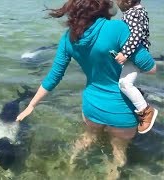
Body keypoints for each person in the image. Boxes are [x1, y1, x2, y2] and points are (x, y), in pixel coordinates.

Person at [15, 0, 156, 179]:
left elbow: (54, 76)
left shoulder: (69, 38)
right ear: (103, 6)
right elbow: (150, 68)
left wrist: (31, 105)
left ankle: (68, 168)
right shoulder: (119, 28)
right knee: (118, 155)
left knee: (86, 139)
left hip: (92, 108)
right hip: (122, 112)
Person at [113, 0, 157, 134]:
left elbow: (136, 35)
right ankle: (138, 95)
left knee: (124, 83)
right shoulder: (139, 11)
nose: (116, 3)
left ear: (128, 1)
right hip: (135, 53)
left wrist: (125, 53)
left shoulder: (132, 13)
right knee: (124, 81)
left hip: (133, 55)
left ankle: (146, 110)